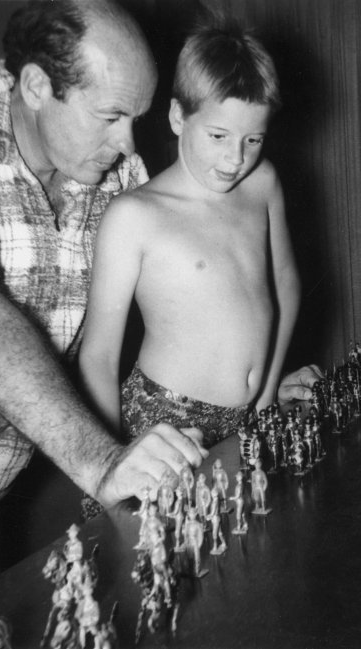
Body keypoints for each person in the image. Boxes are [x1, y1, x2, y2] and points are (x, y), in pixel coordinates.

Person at [0, 0, 212, 617]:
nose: (127, 143)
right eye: (111, 115)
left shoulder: (118, 178)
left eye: (136, 117)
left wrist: (263, 386)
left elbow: (188, 286)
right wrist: (103, 463)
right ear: (37, 85)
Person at [79, 23, 300, 486]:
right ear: (179, 117)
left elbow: (286, 284)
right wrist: (113, 455)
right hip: (166, 421)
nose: (235, 158)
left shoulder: (263, 184)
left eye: (253, 140)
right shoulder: (134, 215)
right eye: (218, 136)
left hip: (250, 412)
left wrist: (265, 393)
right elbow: (98, 354)